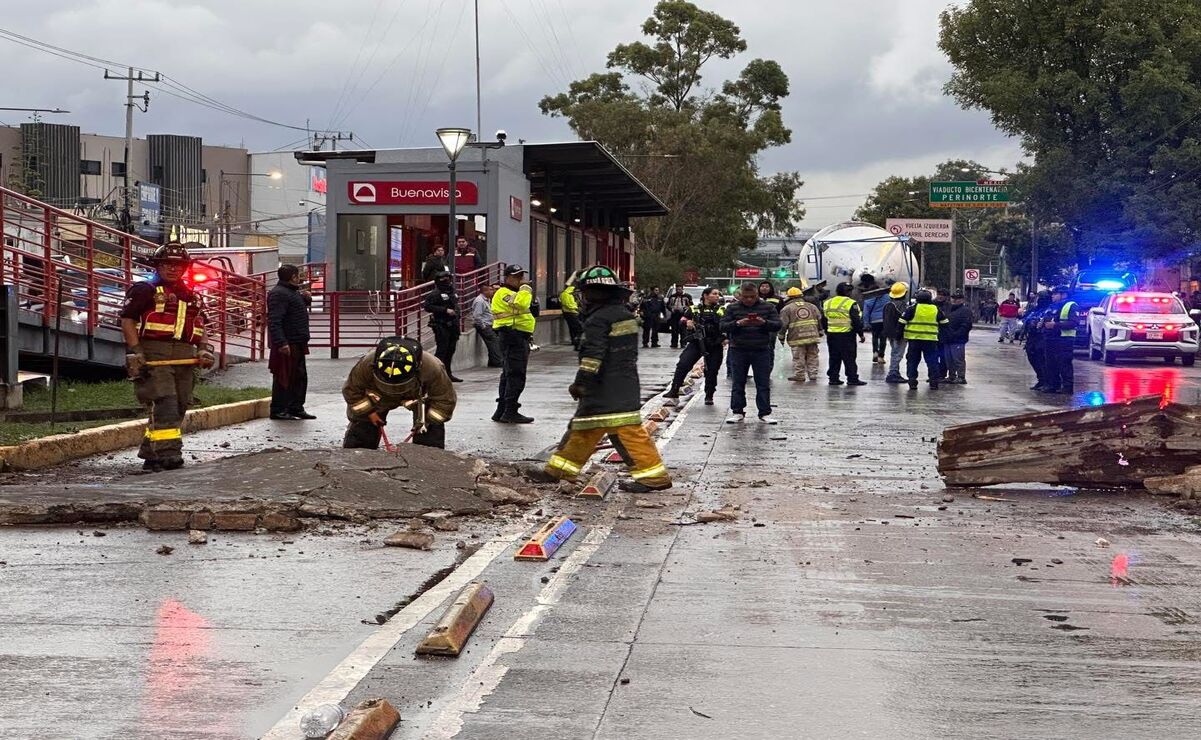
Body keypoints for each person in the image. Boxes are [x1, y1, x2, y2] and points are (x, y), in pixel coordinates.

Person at [538, 265, 672, 493]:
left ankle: (653, 477)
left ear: (595, 293)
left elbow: (593, 357)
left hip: (604, 386)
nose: (584, 297)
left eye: (586, 292)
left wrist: (581, 383)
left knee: (625, 430)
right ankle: (560, 470)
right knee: (586, 427)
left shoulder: (597, 320)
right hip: (624, 383)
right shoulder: (624, 315)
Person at [119, 242, 215, 472]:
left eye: (178, 265)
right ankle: (169, 454)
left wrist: (204, 349)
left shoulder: (190, 295)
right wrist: (136, 351)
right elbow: (127, 320)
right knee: (166, 402)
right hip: (154, 353)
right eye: (167, 265)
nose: (173, 269)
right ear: (157, 266)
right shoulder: (145, 290)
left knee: (181, 403)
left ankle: (151, 453)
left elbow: (202, 325)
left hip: (184, 356)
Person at [342, 336, 456, 449]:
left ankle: (429, 457)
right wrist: (370, 413)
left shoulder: (432, 367)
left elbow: (444, 401)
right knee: (363, 424)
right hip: (378, 396)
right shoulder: (367, 364)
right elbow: (352, 392)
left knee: (430, 427)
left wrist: (426, 422)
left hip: (416, 396)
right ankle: (359, 452)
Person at [720, 282, 783, 424]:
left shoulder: (768, 307)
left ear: (757, 295)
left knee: (763, 383)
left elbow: (778, 324)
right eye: (746, 297)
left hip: (761, 349)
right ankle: (737, 411)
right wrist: (738, 324)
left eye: (753, 297)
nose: (749, 300)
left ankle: (764, 412)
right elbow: (722, 326)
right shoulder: (732, 308)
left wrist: (764, 323)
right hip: (738, 349)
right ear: (740, 295)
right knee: (738, 382)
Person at [267, 264, 314, 420]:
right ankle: (279, 409)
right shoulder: (279, 294)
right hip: (288, 343)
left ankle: (296, 407)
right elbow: (275, 320)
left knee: (298, 377)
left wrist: (306, 299)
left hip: (297, 341)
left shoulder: (291, 292)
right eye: (298, 275)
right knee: (284, 377)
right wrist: (281, 342)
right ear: (293, 277)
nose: (300, 278)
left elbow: (295, 308)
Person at [491, 264, 536, 423]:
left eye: (521, 276)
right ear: (508, 277)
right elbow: (521, 304)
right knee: (516, 374)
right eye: (517, 277)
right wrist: (526, 289)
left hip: (517, 335)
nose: (521, 280)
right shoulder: (504, 293)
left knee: (508, 374)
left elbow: (526, 310)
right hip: (512, 335)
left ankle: (501, 410)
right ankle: (510, 411)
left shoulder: (513, 293)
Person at [666, 287, 725, 404]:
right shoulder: (693, 309)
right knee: (683, 364)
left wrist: (725, 337)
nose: (717, 296)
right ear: (705, 296)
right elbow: (682, 320)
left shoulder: (722, 310)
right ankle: (674, 389)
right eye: (714, 294)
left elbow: (727, 325)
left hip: (714, 344)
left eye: (718, 294)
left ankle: (709, 395)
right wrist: (686, 322)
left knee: (712, 370)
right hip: (696, 343)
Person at [899, 289, 949, 390]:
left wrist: (899, 335)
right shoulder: (935, 309)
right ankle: (933, 382)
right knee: (932, 362)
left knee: (912, 361)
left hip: (914, 340)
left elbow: (901, 322)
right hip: (931, 341)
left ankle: (912, 381)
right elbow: (945, 323)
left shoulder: (912, 309)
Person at [822, 282, 867, 386]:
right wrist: (861, 334)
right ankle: (852, 379)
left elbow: (823, 319)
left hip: (832, 335)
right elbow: (856, 320)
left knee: (834, 357)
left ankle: (833, 378)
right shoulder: (850, 303)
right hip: (846, 335)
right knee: (849, 358)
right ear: (848, 292)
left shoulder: (828, 302)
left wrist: (826, 331)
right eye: (850, 291)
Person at [423, 270, 463, 383]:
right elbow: (427, 306)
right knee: (442, 351)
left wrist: (457, 312)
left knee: (451, 350)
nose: (447, 281)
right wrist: (445, 310)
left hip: (453, 325)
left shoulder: (452, 291)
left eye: (448, 279)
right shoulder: (435, 293)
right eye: (444, 280)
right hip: (442, 325)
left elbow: (455, 303)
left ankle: (448, 374)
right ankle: (436, 376)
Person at [778, 286, 822, 381]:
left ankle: (800, 375)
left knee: (798, 357)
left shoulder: (787, 309)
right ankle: (813, 374)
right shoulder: (811, 306)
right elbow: (819, 320)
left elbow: (783, 324)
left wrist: (781, 337)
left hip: (797, 337)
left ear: (789, 297)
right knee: (813, 355)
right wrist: (820, 332)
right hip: (812, 336)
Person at [1040, 285, 1078, 394]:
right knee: (1050, 363)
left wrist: (1055, 325)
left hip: (1064, 339)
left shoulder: (1071, 305)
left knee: (1064, 363)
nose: (1053, 296)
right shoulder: (1052, 306)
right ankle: (1052, 385)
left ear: (1063, 294)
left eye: (1055, 294)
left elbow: (1073, 323)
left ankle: (1067, 386)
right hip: (1050, 338)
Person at [881, 282, 910, 383]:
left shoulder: (887, 305)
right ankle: (893, 373)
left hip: (890, 333)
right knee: (897, 354)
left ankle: (895, 373)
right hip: (899, 334)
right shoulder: (901, 306)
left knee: (894, 353)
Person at [1023, 290, 1052, 390]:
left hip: (1042, 337)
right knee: (1032, 358)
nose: (1037, 300)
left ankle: (1046, 381)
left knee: (1042, 359)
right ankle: (1041, 379)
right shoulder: (1035, 310)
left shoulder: (1049, 309)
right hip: (1032, 337)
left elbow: (1047, 321)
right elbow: (1026, 319)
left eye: (1039, 298)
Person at [943, 290, 973, 384]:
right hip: (947, 339)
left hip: (958, 340)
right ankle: (951, 376)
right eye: (954, 298)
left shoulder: (965, 311)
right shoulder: (948, 308)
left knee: (958, 359)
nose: (955, 300)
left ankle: (961, 377)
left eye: (958, 299)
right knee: (949, 360)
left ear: (962, 300)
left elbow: (966, 325)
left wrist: (957, 334)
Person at [472, 283, 503, 367]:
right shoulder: (480, 301)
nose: (493, 291)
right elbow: (477, 316)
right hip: (484, 325)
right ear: (485, 291)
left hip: (490, 324)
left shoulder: (487, 299)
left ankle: (492, 361)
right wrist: (483, 326)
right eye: (491, 290)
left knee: (495, 341)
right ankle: (497, 362)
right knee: (494, 341)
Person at [862, 286, 889, 365]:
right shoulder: (888, 298)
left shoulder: (869, 300)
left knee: (875, 337)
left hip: (874, 321)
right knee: (883, 338)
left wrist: (866, 323)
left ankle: (875, 352)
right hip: (885, 320)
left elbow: (866, 313)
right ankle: (881, 356)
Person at [559, 272, 583, 351]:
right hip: (570, 313)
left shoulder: (571, 294)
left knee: (574, 328)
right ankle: (576, 341)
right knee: (576, 328)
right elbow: (569, 304)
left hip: (572, 312)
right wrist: (577, 308)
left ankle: (575, 341)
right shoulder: (567, 294)